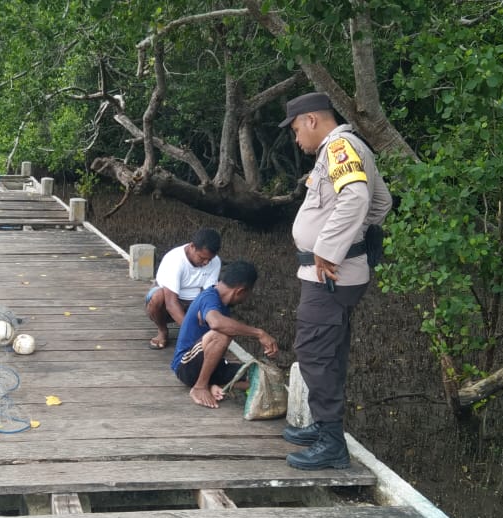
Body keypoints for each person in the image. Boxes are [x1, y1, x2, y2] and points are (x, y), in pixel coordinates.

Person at [277, 92, 392, 470]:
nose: (297, 140)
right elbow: (382, 202)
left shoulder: (340, 147)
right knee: (330, 350)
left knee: (314, 352)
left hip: (328, 275)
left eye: (296, 130)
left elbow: (358, 198)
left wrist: (330, 248)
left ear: (311, 120)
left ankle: (331, 443)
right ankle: (324, 427)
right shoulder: (353, 146)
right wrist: (360, 236)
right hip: (336, 273)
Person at [171, 260, 279, 408]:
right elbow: (216, 323)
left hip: (213, 366)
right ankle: (200, 387)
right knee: (222, 333)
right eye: (248, 294)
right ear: (240, 291)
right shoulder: (209, 297)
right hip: (185, 366)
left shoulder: (224, 303)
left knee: (259, 376)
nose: (246, 299)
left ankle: (214, 385)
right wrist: (259, 333)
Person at [145, 228, 222, 349]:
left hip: (195, 301)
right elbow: (171, 303)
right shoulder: (175, 260)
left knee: (218, 296)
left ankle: (201, 333)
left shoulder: (215, 262)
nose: (206, 262)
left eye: (209, 259)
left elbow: (209, 293)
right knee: (158, 296)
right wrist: (192, 335)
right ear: (192, 247)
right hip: (169, 300)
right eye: (202, 258)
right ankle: (162, 331)